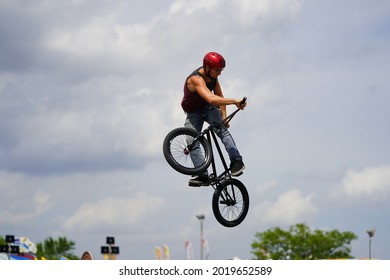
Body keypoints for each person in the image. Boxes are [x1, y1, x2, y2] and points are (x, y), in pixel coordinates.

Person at [181, 51, 246, 186]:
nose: (220, 73)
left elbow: (219, 98)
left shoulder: (213, 77)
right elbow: (211, 98)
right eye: (218, 70)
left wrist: (223, 118)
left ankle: (236, 161)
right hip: (194, 113)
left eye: (221, 70)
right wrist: (234, 101)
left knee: (222, 131)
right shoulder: (195, 79)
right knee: (191, 141)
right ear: (208, 67)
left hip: (208, 108)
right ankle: (202, 174)